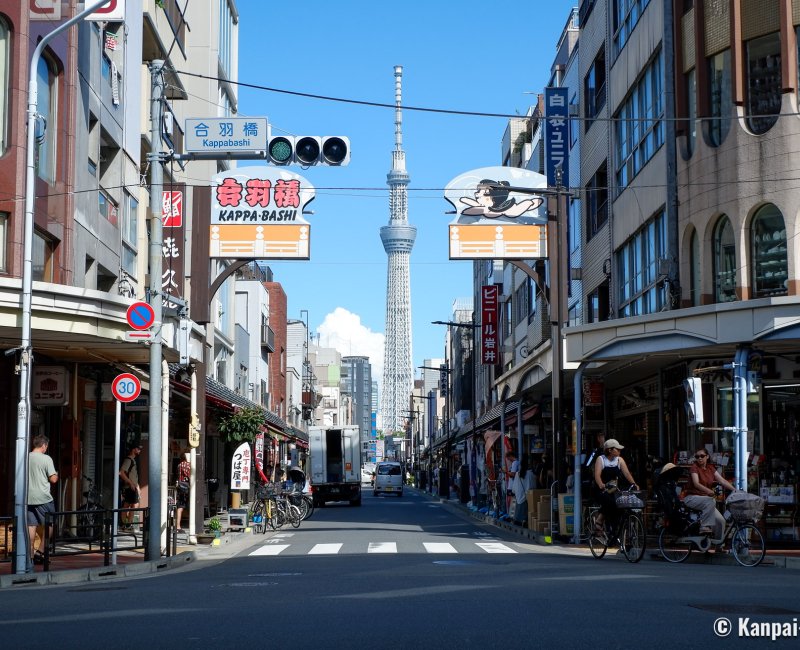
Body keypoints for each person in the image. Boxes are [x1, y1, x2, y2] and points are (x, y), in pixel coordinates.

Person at [682, 447, 736, 541]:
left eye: (702, 456)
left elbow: (722, 480)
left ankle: (718, 545)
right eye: (697, 456)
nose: (699, 458)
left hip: (705, 500)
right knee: (710, 500)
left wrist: (735, 490)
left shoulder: (711, 468)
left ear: (707, 456)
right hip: (692, 498)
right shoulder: (694, 467)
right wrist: (709, 491)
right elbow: (696, 483)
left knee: (721, 521)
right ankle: (704, 526)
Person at [593, 438, 639, 536]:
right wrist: (601, 484)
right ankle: (600, 521)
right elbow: (597, 475)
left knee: (621, 502)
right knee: (610, 502)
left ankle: (615, 528)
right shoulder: (601, 459)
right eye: (617, 449)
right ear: (610, 450)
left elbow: (627, 473)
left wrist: (634, 484)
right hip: (603, 489)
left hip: (615, 489)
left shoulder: (619, 460)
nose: (619, 451)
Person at [27, 434, 58, 565]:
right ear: (44, 445)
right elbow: (53, 479)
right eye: (46, 446)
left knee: (31, 525)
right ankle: (41, 551)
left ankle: (30, 556)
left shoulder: (25, 457)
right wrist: (56, 473)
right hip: (44, 498)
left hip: (28, 498)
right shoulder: (46, 459)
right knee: (50, 523)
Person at [119, 442, 143, 530]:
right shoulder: (128, 460)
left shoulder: (133, 460)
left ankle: (128, 524)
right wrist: (130, 483)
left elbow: (134, 476)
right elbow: (121, 473)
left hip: (133, 487)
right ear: (133, 449)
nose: (139, 451)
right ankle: (124, 524)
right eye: (138, 449)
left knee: (133, 505)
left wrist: (138, 487)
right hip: (129, 487)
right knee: (127, 505)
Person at [174, 452, 190, 533]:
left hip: (180, 487)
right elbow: (189, 476)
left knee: (180, 506)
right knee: (183, 506)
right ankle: (179, 526)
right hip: (186, 487)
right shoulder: (186, 465)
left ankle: (177, 525)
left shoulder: (179, 465)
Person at [503, 451, 519, 515]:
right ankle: (512, 515)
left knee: (513, 501)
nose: (508, 460)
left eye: (508, 458)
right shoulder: (516, 462)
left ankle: (512, 515)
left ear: (510, 456)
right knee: (513, 501)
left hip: (513, 486)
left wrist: (505, 472)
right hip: (513, 485)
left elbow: (513, 474)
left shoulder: (515, 463)